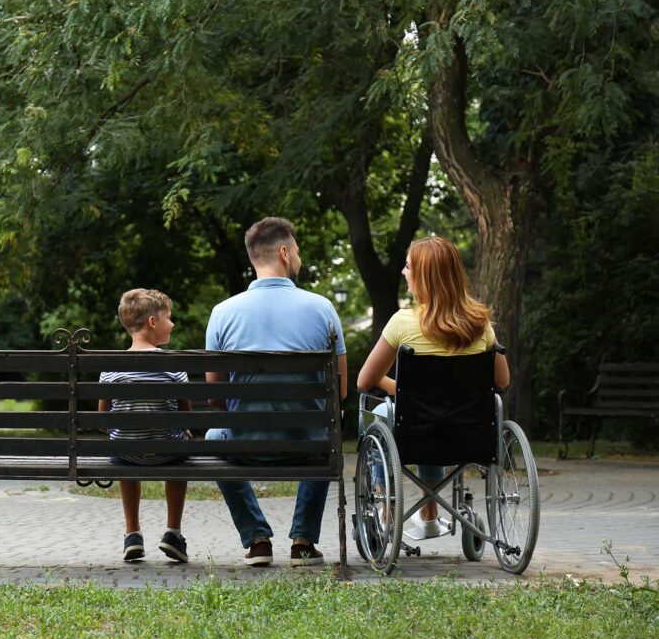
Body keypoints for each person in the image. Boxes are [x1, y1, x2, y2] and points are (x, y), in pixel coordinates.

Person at [204, 217, 347, 567]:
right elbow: (339, 390)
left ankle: (256, 540)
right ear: (284, 252)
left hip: (245, 445)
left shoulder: (222, 313)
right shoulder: (322, 309)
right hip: (307, 445)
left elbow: (214, 393)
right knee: (327, 427)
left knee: (212, 435)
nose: (298, 257)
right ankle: (302, 540)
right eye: (296, 250)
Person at [357, 236, 510, 540]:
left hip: (417, 425)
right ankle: (429, 517)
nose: (403, 272)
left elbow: (365, 381)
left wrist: (408, 393)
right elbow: (502, 382)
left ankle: (386, 507)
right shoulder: (481, 325)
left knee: (376, 414)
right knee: (433, 420)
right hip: (468, 429)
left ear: (425, 277)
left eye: (408, 267)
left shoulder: (403, 322)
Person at [98, 288, 192, 563]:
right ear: (153, 322)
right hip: (168, 453)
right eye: (169, 318)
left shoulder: (111, 368)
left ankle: (132, 535)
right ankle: (173, 532)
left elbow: (103, 420)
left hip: (126, 454)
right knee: (179, 443)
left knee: (124, 443)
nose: (172, 324)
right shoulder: (173, 365)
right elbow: (187, 417)